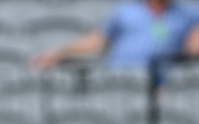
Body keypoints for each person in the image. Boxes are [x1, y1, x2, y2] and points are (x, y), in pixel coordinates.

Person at [31, 0, 199, 74]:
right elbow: (98, 40)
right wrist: (60, 53)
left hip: (157, 84)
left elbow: (192, 48)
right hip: (118, 78)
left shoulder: (189, 13)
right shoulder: (125, 10)